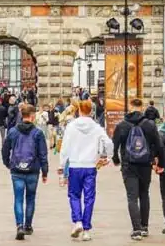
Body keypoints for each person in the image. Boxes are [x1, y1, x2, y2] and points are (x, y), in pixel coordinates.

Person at [58, 99, 114, 241]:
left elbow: (65, 147)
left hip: (75, 165)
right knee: (89, 198)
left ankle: (77, 221)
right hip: (90, 166)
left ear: (79, 110)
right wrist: (108, 157)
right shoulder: (96, 127)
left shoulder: (71, 126)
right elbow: (108, 142)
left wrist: (61, 164)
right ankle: (87, 229)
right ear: (91, 111)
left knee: (74, 195)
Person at [111, 98, 161, 240]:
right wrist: (158, 160)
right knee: (144, 194)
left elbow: (114, 145)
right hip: (145, 164)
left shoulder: (122, 125)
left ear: (130, 107)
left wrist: (116, 159)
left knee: (132, 197)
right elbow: (158, 144)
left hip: (128, 165)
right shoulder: (150, 125)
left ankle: (136, 230)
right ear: (142, 107)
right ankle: (145, 227)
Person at [1, 104, 49, 240]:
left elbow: (5, 149)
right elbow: (43, 154)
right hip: (33, 170)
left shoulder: (13, 131)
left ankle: (19, 225)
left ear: (22, 115)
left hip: (16, 169)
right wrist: (45, 171)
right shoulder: (38, 133)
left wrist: (7, 163)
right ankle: (28, 225)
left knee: (18, 198)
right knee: (30, 198)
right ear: (33, 116)